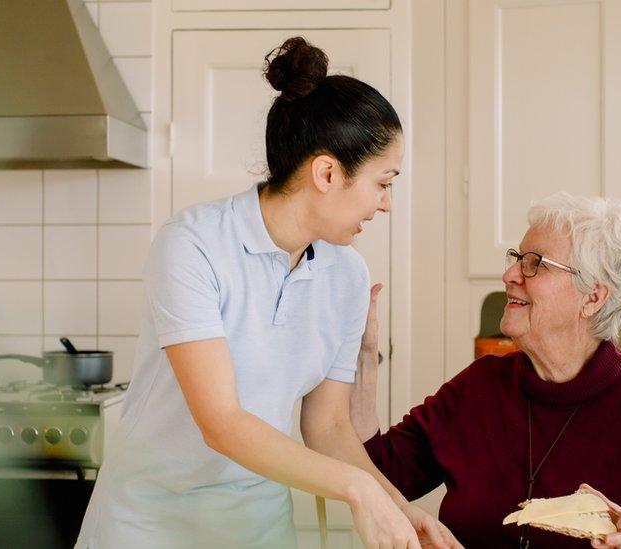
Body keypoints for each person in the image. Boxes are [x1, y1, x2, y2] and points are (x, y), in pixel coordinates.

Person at [76, 37, 460, 549]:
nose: (386, 203)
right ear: (327, 173)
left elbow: (327, 427)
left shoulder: (345, 274)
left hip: (256, 528)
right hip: (148, 526)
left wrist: (400, 508)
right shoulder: (193, 244)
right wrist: (356, 491)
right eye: (383, 182)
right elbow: (223, 423)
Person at [350, 193, 621, 548]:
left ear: (593, 297)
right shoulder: (479, 387)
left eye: (534, 263)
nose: (510, 274)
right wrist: (365, 356)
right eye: (516, 258)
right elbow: (380, 472)